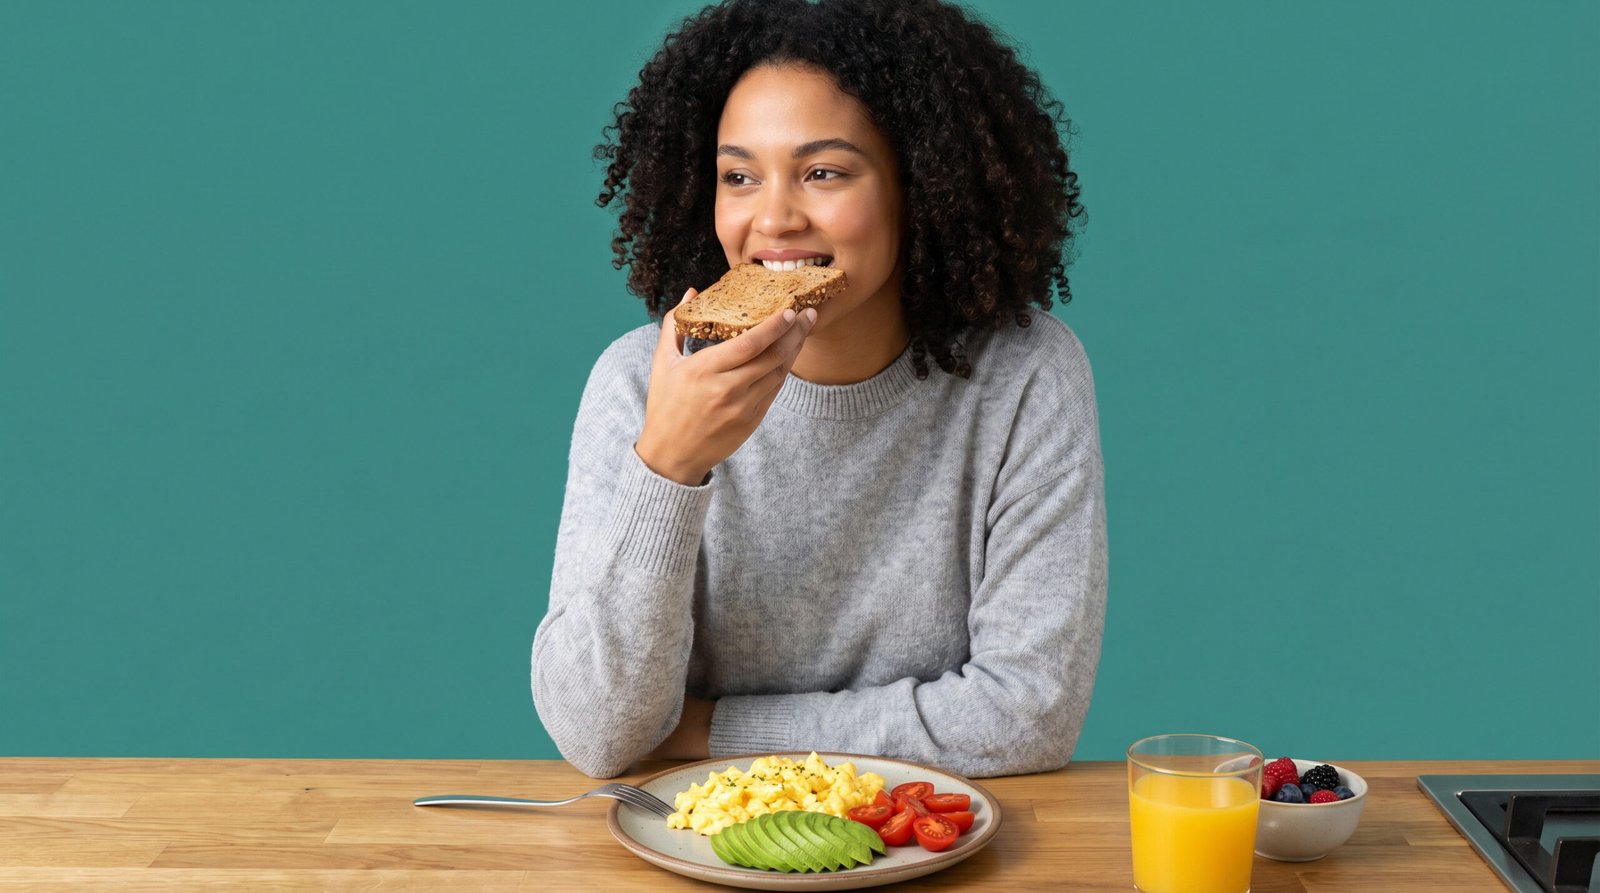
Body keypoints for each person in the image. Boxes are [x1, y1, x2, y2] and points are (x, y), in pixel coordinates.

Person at [531, 0, 1105, 779]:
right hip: (696, 848)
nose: (772, 217)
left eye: (823, 172)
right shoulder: (639, 380)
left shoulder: (1025, 376)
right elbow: (597, 733)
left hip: (931, 844)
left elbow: (1026, 715)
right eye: (739, 176)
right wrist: (667, 462)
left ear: (922, 182)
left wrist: (710, 731)